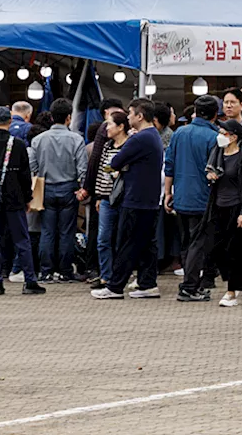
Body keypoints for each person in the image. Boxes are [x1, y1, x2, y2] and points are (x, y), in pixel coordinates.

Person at [92, 99, 164, 300]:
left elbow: (115, 162)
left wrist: (124, 166)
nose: (128, 116)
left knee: (127, 243)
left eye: (131, 113)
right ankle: (147, 283)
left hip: (135, 199)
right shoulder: (153, 136)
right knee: (147, 243)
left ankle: (115, 286)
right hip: (149, 199)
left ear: (140, 116)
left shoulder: (139, 139)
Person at [180, 120, 242, 306]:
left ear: (234, 137)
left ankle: (232, 291)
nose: (220, 135)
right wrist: (210, 176)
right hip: (217, 206)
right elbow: (212, 174)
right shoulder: (218, 153)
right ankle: (228, 280)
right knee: (213, 248)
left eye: (224, 132)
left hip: (235, 207)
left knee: (235, 251)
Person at [0, 107, 43, 296]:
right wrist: (27, 198)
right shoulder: (18, 144)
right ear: (10, 122)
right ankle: (29, 281)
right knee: (22, 240)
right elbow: (25, 175)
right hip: (14, 200)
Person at [28, 98, 87, 282]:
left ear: (52, 117)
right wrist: (83, 188)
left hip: (46, 188)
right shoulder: (77, 139)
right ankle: (65, 271)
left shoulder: (38, 140)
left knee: (47, 230)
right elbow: (82, 168)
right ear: (69, 117)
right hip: (69, 188)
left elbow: (33, 166)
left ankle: (45, 271)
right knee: (66, 232)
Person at [165, 94, 220, 282]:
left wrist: (167, 193)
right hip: (204, 198)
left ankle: (191, 281)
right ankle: (191, 284)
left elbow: (169, 164)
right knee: (199, 241)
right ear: (215, 114)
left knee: (186, 241)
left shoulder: (179, 133)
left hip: (180, 196)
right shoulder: (215, 137)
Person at [90, 111, 128, 290]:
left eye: (110, 124)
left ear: (121, 127)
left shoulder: (130, 146)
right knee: (103, 238)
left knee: (122, 238)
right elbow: (100, 172)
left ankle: (121, 275)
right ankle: (106, 276)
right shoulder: (106, 146)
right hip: (106, 198)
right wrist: (98, 196)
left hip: (124, 198)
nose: (107, 128)